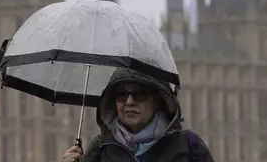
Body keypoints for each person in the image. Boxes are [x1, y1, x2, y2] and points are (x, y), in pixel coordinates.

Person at [62, 68, 215, 162]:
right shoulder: (101, 148)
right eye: (121, 95)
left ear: (157, 100)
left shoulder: (189, 146)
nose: (129, 102)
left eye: (139, 94)